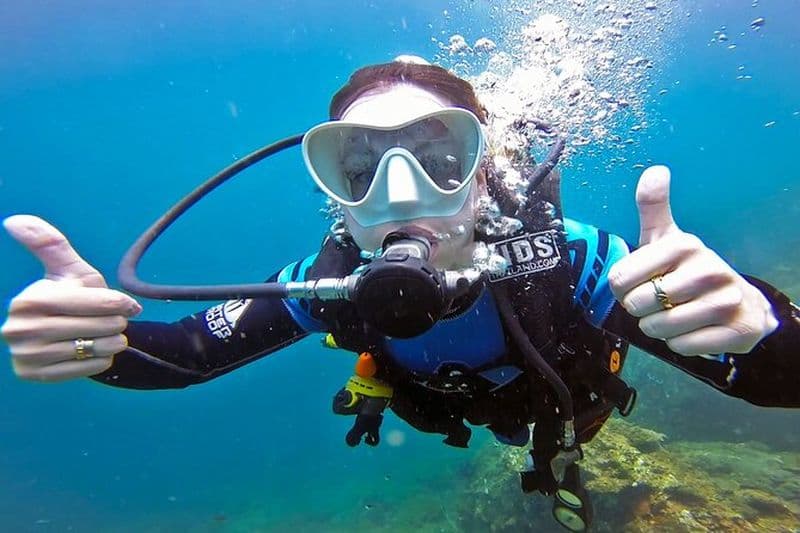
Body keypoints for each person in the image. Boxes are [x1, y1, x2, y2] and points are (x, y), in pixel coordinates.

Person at [3, 57, 799, 531]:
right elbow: (179, 356)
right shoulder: (332, 283)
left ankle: (558, 463)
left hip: (560, 397)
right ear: (335, 193)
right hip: (444, 408)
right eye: (359, 163)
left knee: (559, 446)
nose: (397, 193)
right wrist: (96, 344)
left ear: (487, 171)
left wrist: (762, 329)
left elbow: (784, 378)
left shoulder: (572, 258)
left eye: (437, 155)